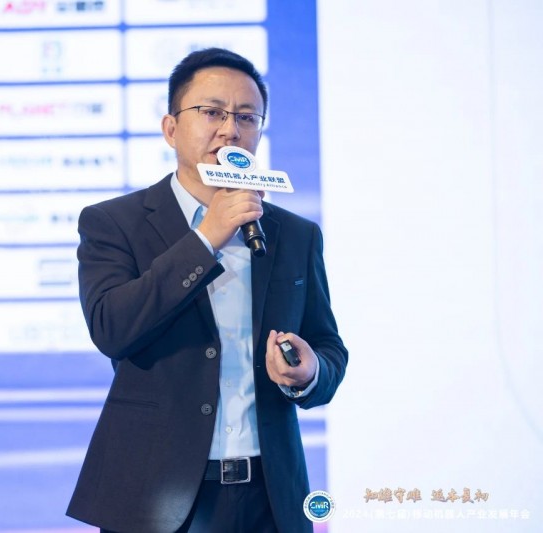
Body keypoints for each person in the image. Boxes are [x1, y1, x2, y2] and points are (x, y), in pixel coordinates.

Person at [66, 47, 348, 533]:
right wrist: (206, 238)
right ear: (171, 128)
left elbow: (328, 348)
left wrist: (309, 372)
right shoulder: (114, 222)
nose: (230, 130)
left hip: (271, 496)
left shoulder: (294, 234)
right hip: (157, 496)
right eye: (212, 112)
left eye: (246, 117)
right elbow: (112, 328)